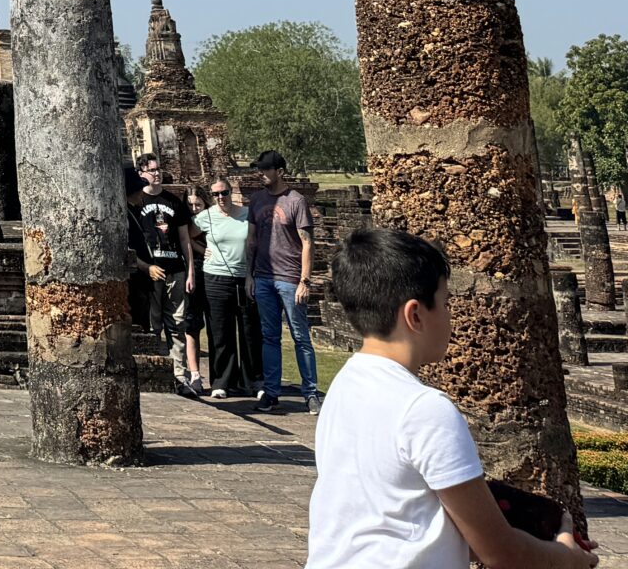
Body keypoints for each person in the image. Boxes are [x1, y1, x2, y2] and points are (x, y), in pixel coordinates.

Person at [306, 227, 597, 569]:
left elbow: (402, 520)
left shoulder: (345, 384)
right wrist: (567, 558)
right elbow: (501, 554)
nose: (450, 315)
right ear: (415, 315)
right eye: (445, 303)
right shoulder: (424, 408)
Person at [247, 148, 322, 413]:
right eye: (259, 169)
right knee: (270, 337)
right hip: (264, 277)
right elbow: (252, 240)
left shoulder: (295, 201)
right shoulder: (256, 200)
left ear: (280, 171)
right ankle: (271, 391)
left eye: (266, 169)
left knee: (301, 336)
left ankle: (311, 392)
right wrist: (250, 275)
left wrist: (305, 280)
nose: (261, 173)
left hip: (290, 277)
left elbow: (307, 243)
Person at [137, 153, 199, 394]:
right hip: (151, 270)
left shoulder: (173, 202)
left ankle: (178, 375)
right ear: (141, 173)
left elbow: (185, 240)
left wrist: (190, 270)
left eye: (158, 169)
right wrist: (145, 265)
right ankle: (155, 371)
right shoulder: (136, 202)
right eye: (151, 170)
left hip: (176, 268)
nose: (156, 173)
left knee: (177, 323)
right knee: (153, 324)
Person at [195, 175, 259, 398]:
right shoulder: (206, 217)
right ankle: (222, 381)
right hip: (216, 277)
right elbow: (187, 235)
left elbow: (254, 243)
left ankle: (253, 381)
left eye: (224, 193)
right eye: (216, 194)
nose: (221, 197)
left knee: (249, 331)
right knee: (220, 331)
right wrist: (204, 251)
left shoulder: (247, 215)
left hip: (244, 277)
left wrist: (252, 274)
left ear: (231, 192)